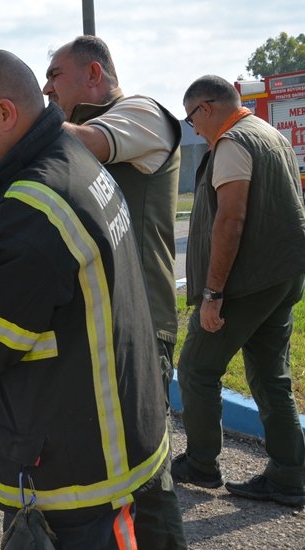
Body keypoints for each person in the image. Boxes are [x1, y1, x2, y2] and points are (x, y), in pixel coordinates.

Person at [0, 49, 168, 548]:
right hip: (116, 441)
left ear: (5, 113)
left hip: (77, 481)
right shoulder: (72, 160)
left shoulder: (32, 208)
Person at [43, 36, 187, 548]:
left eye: (54, 75)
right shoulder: (79, 128)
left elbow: (85, 143)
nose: (46, 89)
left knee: (146, 475)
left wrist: (14, 115)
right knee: (110, 471)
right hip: (101, 326)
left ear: (94, 74)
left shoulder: (143, 114)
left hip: (141, 326)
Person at [171, 75, 305, 507]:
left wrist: (213, 295)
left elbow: (230, 220)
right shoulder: (268, 133)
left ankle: (201, 464)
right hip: (282, 275)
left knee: (196, 368)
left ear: (207, 108)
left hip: (246, 282)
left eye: (192, 118)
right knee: (271, 377)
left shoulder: (232, 143)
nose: (194, 128)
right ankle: (290, 474)